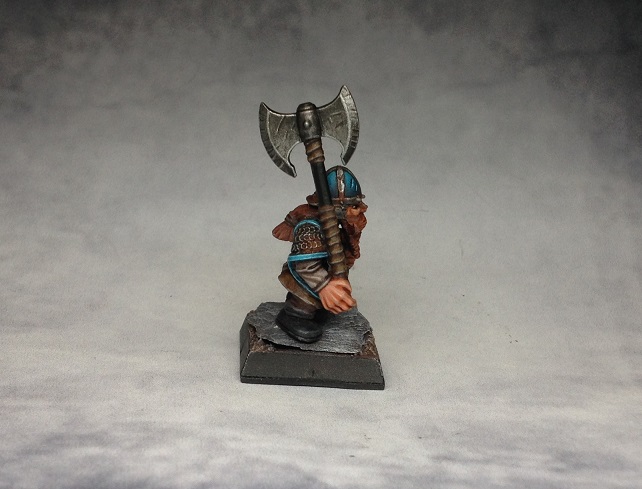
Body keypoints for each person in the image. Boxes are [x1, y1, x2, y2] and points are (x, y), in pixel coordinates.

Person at [272, 166, 368, 342]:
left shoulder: (338, 225)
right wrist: (325, 287)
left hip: (324, 273)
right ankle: (295, 315)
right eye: (354, 206)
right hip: (307, 280)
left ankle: (319, 308)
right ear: (338, 207)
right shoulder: (310, 228)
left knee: (321, 302)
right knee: (305, 301)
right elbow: (304, 266)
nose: (362, 210)